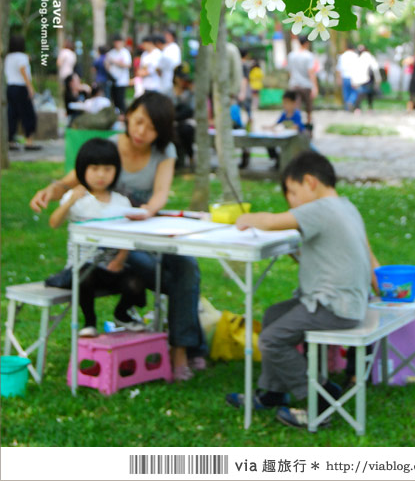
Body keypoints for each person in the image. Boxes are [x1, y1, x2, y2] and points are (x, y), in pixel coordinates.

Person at [30, 91, 206, 381]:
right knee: (173, 279)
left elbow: (160, 194)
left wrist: (146, 212)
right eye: (138, 122)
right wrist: (51, 191)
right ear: (128, 115)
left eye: (151, 128)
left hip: (146, 229)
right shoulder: (110, 147)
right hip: (114, 246)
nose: (141, 132)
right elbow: (71, 180)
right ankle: (186, 348)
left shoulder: (165, 152)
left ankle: (183, 348)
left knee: (187, 264)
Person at [226, 150, 377, 430]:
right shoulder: (346, 206)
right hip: (346, 303)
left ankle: (318, 399)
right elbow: (352, 255)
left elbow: (271, 222)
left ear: (310, 182)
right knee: (273, 315)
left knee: (271, 340)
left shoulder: (321, 208)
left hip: (332, 306)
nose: (292, 204)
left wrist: (245, 220)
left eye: (292, 194)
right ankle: (272, 391)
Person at [49, 139, 147, 336]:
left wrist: (120, 260)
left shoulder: (121, 201)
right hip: (80, 268)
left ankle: (122, 314)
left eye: (107, 169)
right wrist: (69, 202)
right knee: (85, 275)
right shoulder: (76, 199)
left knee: (137, 281)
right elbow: (54, 222)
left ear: (116, 171)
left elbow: (127, 236)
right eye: (94, 168)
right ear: (83, 169)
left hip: (110, 268)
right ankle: (89, 322)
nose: (101, 175)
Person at [5, 34, 42, 151]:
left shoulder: (7, 57)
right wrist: (30, 87)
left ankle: (10, 141)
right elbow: (22, 70)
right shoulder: (22, 56)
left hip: (10, 87)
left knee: (12, 115)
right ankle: (29, 142)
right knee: (28, 114)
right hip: (21, 87)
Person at [266, 90, 305, 170]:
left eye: (287, 103)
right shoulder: (284, 114)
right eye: (284, 103)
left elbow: (295, 127)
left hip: (297, 139)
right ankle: (277, 161)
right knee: (269, 143)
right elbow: (276, 124)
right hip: (285, 138)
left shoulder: (296, 114)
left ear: (293, 103)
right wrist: (268, 127)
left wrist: (282, 129)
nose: (284, 105)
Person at [286, 35, 318, 126]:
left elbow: (290, 71)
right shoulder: (309, 56)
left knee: (296, 107)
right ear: (307, 43)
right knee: (308, 108)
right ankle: (308, 125)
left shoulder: (291, 55)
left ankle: (295, 125)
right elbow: (311, 72)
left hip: (294, 84)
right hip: (306, 85)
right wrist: (315, 87)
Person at [172, 65, 195, 170]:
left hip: (186, 123)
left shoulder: (190, 93)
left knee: (186, 129)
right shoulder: (169, 91)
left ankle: (190, 156)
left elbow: (192, 110)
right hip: (172, 122)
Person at [105, 35, 132, 114]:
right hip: (112, 79)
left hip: (122, 80)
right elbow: (107, 64)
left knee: (120, 100)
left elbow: (127, 64)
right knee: (114, 100)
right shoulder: (111, 53)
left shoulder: (125, 52)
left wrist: (115, 62)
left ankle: (124, 115)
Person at [352, 45, 381, 111]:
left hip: (362, 80)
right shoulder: (369, 57)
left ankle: (357, 108)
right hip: (368, 80)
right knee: (369, 94)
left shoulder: (360, 58)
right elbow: (375, 68)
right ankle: (369, 108)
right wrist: (378, 79)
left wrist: (354, 80)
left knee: (360, 94)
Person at [336, 42, 359, 112]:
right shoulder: (356, 56)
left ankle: (347, 107)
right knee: (354, 92)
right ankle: (351, 102)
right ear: (353, 49)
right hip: (353, 76)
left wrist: (339, 79)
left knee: (346, 92)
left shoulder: (342, 56)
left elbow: (339, 69)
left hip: (344, 76)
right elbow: (358, 68)